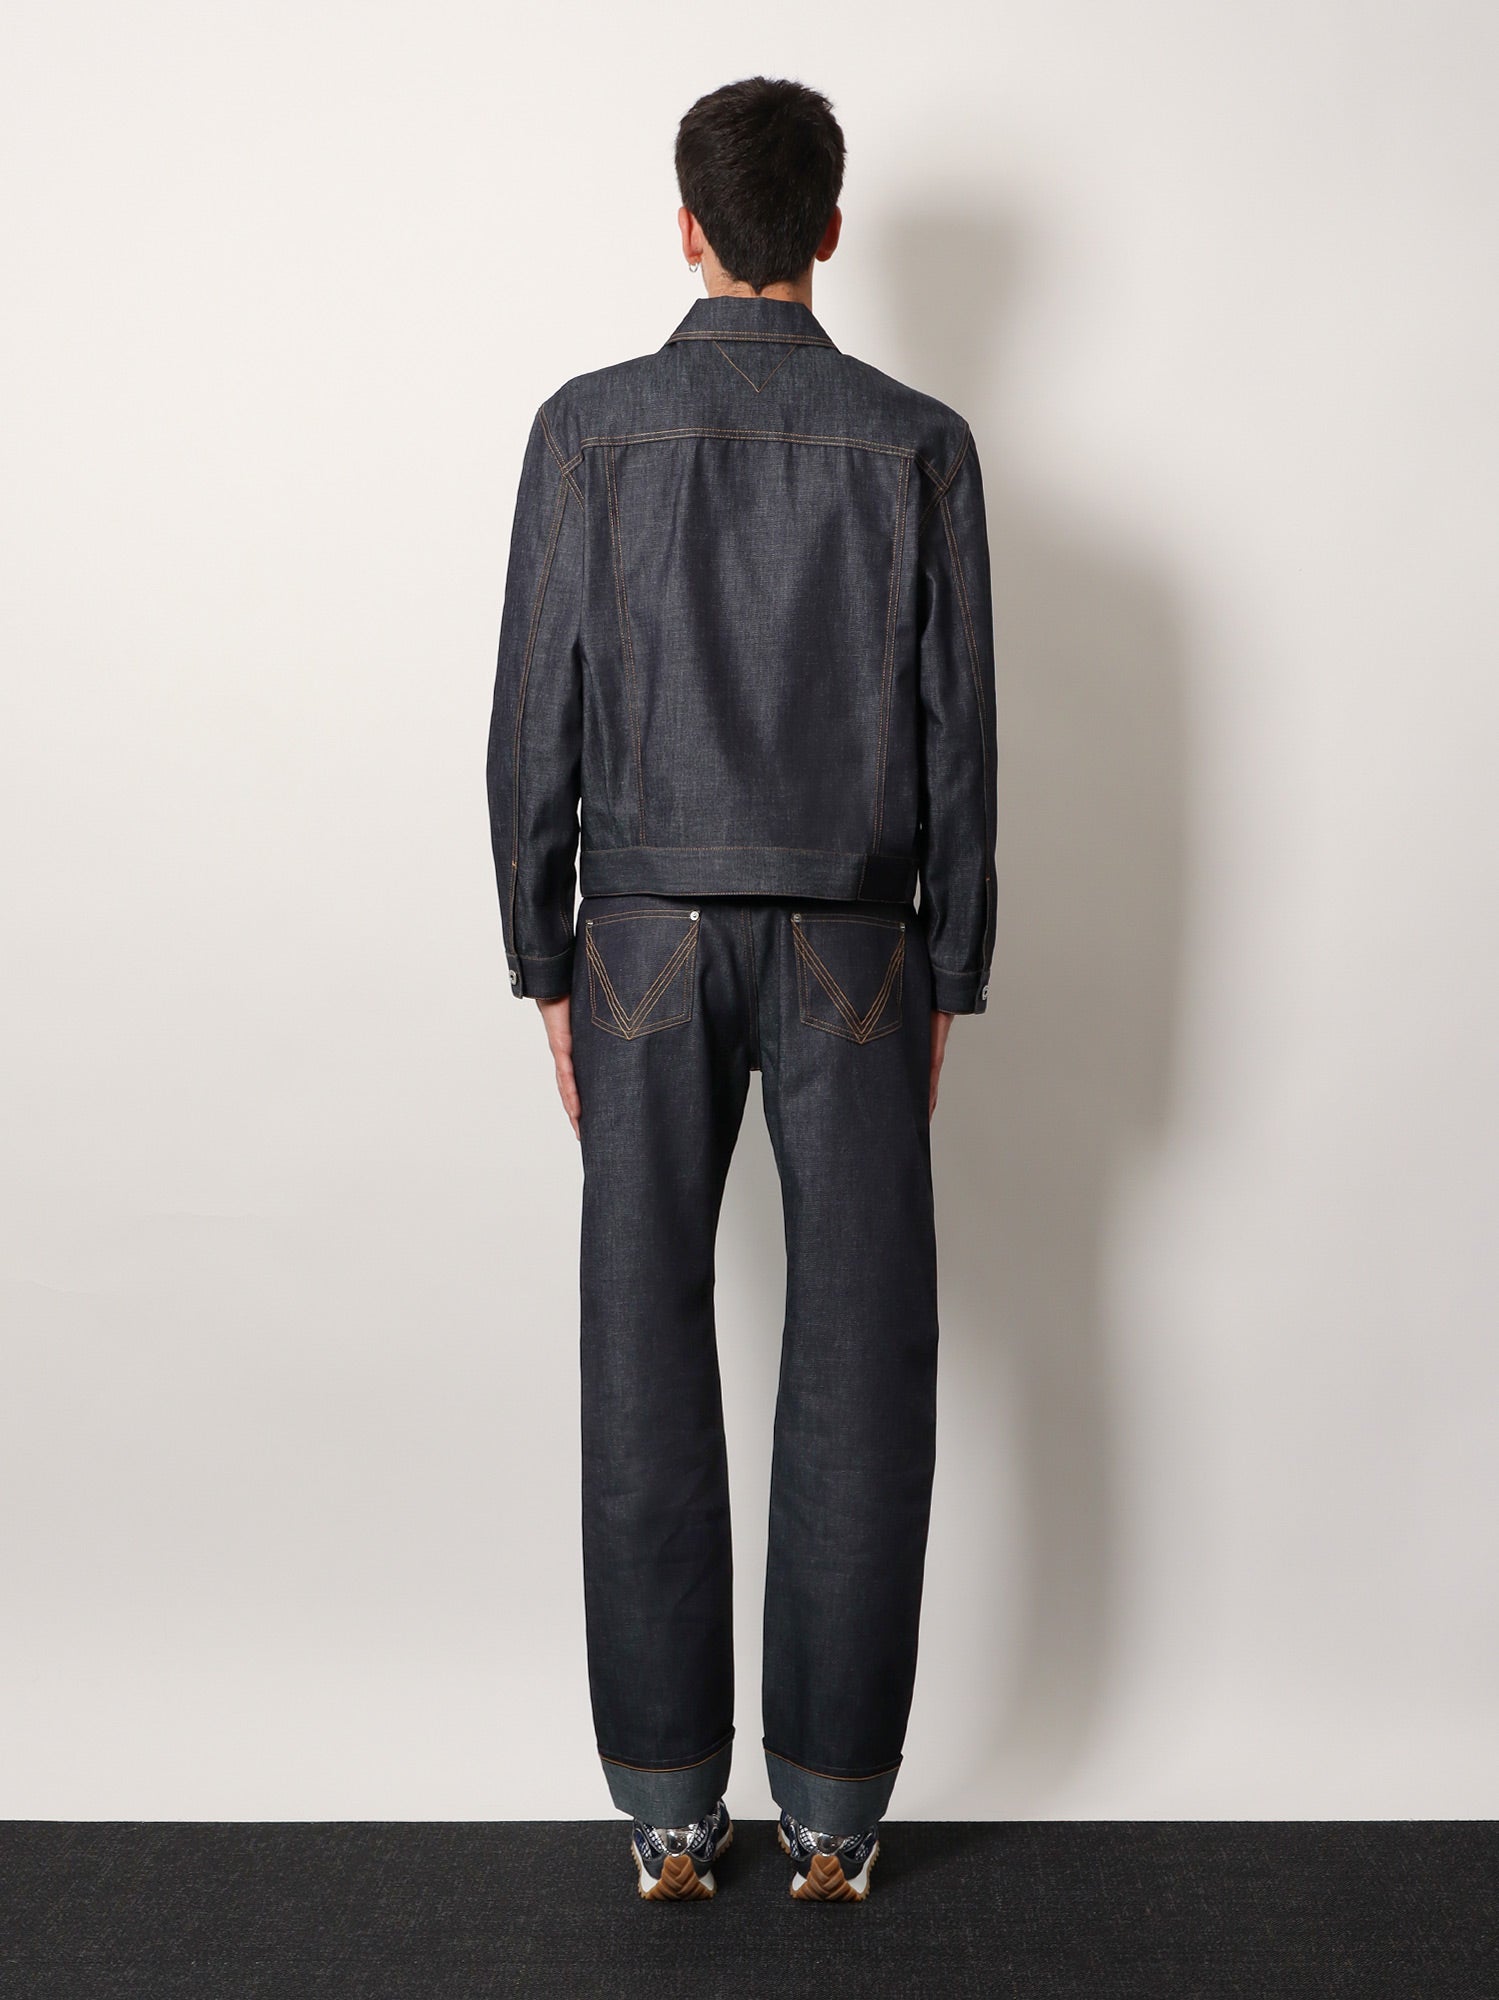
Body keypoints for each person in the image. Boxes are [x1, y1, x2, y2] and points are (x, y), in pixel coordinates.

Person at [485, 74, 996, 1904]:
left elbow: (531, 716)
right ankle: (836, 1816)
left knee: (642, 1340)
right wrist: (949, 967)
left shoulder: (586, 431)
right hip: (859, 944)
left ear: (688, 224)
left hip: (638, 938)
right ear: (830, 230)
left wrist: (544, 957)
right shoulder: (920, 443)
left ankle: (668, 1810)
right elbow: (960, 739)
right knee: (861, 1355)